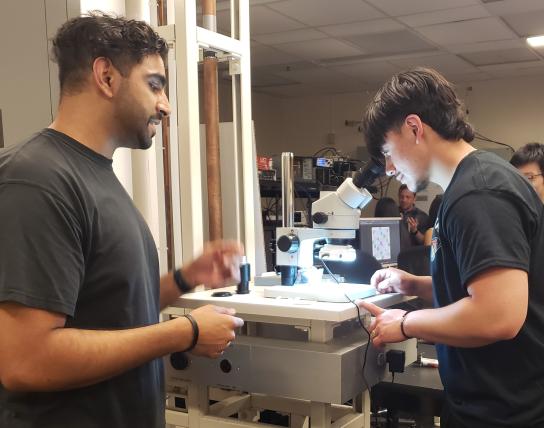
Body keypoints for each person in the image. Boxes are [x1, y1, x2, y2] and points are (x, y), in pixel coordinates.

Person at [0, 13, 245, 428]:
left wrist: (186, 277)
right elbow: (25, 360)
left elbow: (114, 309)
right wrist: (183, 332)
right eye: (154, 85)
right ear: (106, 77)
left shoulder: (94, 174)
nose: (164, 105)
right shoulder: (36, 179)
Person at [358, 67, 544, 427]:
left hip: (506, 412)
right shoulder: (467, 186)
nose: (390, 167)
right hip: (484, 401)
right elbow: (479, 286)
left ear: (414, 127)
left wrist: (408, 323)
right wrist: (413, 284)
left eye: (387, 151)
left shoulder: (480, 192)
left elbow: (498, 315)